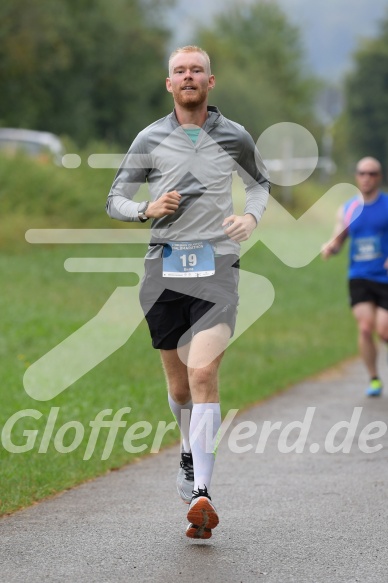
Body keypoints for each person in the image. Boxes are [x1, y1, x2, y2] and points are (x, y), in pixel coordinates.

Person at [106, 45, 270, 538]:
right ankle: (187, 450)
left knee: (202, 375)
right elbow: (114, 199)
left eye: (196, 69)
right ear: (169, 85)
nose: (189, 77)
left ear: (210, 81)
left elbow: (260, 183)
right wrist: (146, 209)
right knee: (179, 390)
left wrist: (249, 216)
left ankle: (202, 495)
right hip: (164, 270)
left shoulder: (234, 135)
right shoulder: (150, 137)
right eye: (180, 71)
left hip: (218, 266)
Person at [321, 156, 388, 397]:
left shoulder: (387, 205)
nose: (366, 177)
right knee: (365, 327)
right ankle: (373, 379)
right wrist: (330, 248)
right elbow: (338, 239)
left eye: (372, 173)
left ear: (379, 177)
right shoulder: (349, 208)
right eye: (362, 173)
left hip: (384, 277)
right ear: (356, 176)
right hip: (359, 275)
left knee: (384, 330)